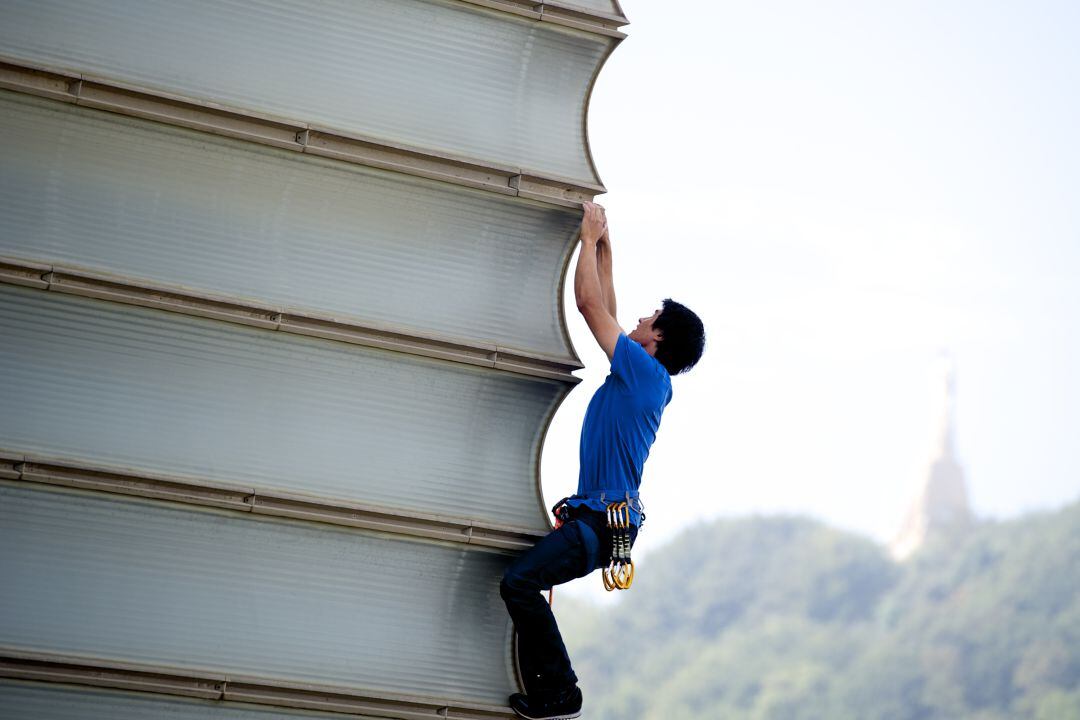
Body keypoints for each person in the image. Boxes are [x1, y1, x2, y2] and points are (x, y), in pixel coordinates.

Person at [500, 202, 705, 720]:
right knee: (525, 584)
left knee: (518, 583)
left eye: (649, 318)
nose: (638, 318)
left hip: (599, 520)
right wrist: (605, 247)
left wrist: (587, 240)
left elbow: (592, 307)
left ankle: (562, 692)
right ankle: (547, 688)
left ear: (657, 339)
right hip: (602, 521)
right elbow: (609, 309)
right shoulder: (641, 377)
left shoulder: (644, 375)